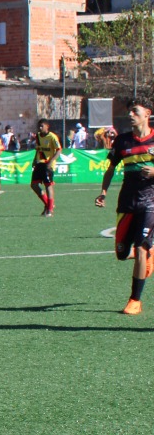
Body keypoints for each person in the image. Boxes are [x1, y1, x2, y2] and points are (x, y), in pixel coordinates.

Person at [95, 101, 154, 315]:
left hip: (151, 202)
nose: (130, 114)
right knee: (122, 253)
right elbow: (111, 169)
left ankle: (135, 300)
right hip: (127, 201)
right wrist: (103, 192)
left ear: (147, 113)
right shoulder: (122, 141)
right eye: (129, 111)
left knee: (140, 249)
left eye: (135, 111)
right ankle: (148, 254)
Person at [32, 120, 62, 217]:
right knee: (34, 185)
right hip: (39, 163)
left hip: (48, 165)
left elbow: (59, 150)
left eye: (42, 126)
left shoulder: (52, 137)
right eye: (39, 126)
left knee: (48, 185)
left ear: (47, 126)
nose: (40, 128)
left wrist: (51, 161)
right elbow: (38, 150)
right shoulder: (37, 136)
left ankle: (49, 209)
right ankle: (48, 204)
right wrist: (34, 160)